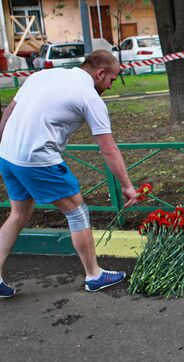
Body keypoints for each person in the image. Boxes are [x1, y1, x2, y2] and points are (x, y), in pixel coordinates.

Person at [0, 50, 137, 298]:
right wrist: (127, 185)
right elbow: (108, 148)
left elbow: (8, 114)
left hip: (8, 156)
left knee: (19, 214)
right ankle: (94, 275)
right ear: (100, 73)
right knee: (77, 211)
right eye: (111, 80)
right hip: (38, 160)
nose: (110, 86)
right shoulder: (89, 96)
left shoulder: (41, 76)